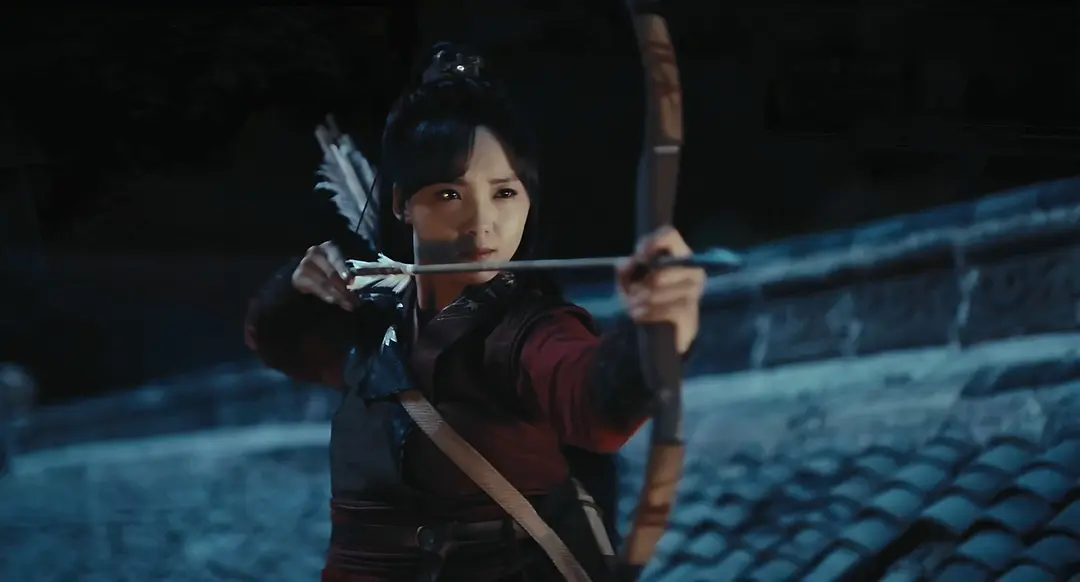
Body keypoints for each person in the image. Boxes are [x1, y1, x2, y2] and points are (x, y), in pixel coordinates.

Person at [244, 42, 706, 582]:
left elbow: (596, 402)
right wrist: (297, 288)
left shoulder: (525, 331)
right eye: (449, 194)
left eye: (505, 193)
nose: (482, 222)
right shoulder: (372, 318)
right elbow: (276, 343)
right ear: (401, 203)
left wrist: (656, 330)